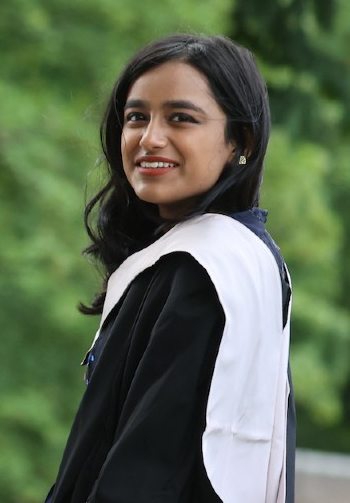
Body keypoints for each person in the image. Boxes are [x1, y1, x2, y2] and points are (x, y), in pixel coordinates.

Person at [46, 34, 292, 502]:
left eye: (181, 118)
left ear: (240, 141)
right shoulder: (247, 259)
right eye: (136, 117)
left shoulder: (203, 270)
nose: (149, 137)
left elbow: (147, 467)